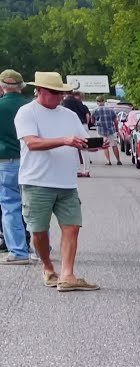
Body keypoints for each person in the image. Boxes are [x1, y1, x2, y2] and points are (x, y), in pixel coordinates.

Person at [14, 72, 97, 291]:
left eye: (61, 92)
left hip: (66, 182)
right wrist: (64, 140)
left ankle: (67, 275)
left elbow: (82, 140)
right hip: (36, 180)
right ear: (39, 90)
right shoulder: (27, 112)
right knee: (38, 231)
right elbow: (32, 143)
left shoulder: (68, 115)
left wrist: (94, 144)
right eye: (54, 92)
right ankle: (48, 267)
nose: (59, 96)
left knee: (72, 228)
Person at [0, 68, 32, 265]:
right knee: (34, 204)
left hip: (6, 161)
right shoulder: (30, 106)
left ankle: (18, 251)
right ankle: (38, 244)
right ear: (21, 87)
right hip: (31, 160)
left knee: (10, 205)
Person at [62, 89, 92, 176]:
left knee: (74, 148)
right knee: (84, 148)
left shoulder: (66, 102)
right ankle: (87, 170)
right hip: (83, 125)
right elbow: (87, 115)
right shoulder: (80, 103)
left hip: (72, 125)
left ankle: (77, 170)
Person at [91, 95, 122, 166]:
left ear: (97, 102)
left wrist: (95, 123)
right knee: (114, 145)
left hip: (101, 130)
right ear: (104, 101)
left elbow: (92, 121)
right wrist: (117, 129)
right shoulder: (110, 110)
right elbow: (115, 121)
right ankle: (118, 160)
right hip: (111, 129)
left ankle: (108, 161)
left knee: (105, 146)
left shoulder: (95, 110)